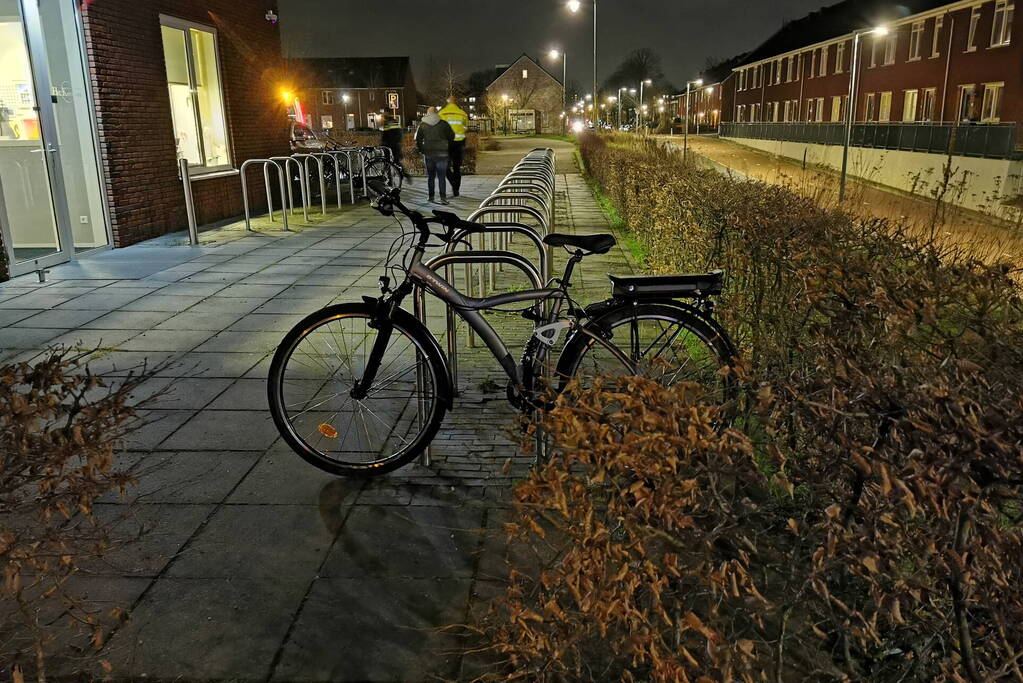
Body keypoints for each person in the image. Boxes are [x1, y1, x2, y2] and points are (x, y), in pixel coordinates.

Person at [415, 107, 455, 204]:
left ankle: (431, 197)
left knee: (431, 177)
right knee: (441, 177)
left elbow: (418, 139)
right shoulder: (443, 124)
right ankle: (443, 198)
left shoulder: (423, 125)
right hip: (442, 153)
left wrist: (422, 150)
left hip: (429, 153)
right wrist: (446, 145)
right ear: (437, 113)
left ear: (427, 113)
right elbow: (452, 136)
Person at [438, 96, 469, 197]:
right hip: (459, 143)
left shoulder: (441, 113)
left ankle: (453, 182)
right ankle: (456, 189)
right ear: (456, 102)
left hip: (446, 143)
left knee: (444, 166)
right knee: (457, 167)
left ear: (448, 102)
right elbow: (465, 128)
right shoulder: (462, 113)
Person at [379, 113, 408, 179]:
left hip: (389, 146)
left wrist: (381, 145)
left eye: (382, 118)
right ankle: (403, 174)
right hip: (396, 145)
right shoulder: (396, 122)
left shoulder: (387, 124)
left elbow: (385, 136)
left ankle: (389, 178)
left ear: (384, 118)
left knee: (387, 162)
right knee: (396, 161)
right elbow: (400, 134)